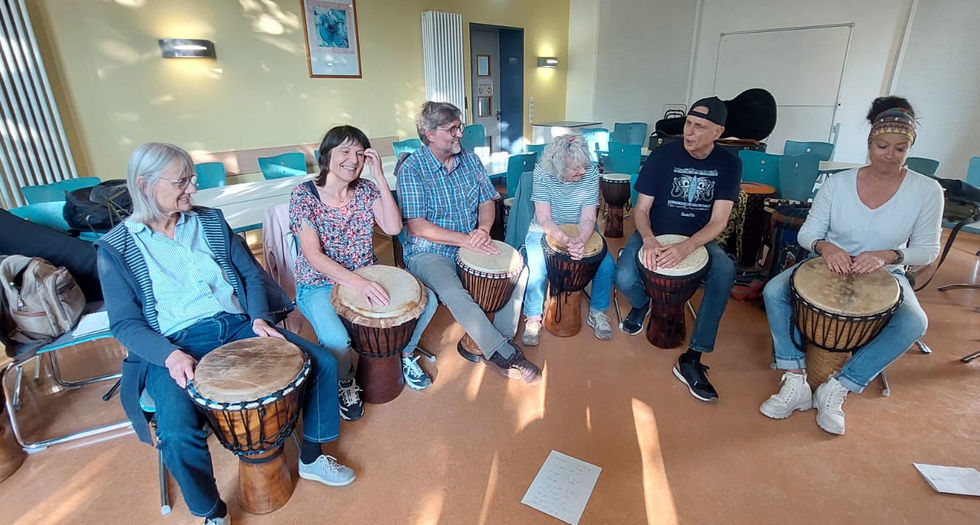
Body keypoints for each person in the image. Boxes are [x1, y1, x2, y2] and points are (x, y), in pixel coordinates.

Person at [96, 143, 354, 525]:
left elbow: (249, 273)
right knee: (176, 431)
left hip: (237, 325)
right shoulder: (116, 248)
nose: (193, 188)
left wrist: (259, 319)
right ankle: (211, 511)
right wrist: (169, 355)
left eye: (192, 179)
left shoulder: (210, 221)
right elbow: (124, 323)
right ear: (145, 185)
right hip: (175, 344)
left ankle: (313, 457)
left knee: (323, 363)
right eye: (182, 181)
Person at [760, 96, 943, 435]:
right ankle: (795, 378)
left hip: (886, 274)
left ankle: (839, 386)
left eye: (900, 148)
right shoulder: (838, 183)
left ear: (910, 149)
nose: (889, 155)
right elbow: (809, 234)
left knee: (914, 322)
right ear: (870, 143)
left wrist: (888, 256)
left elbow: (928, 250)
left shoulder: (927, 190)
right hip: (826, 264)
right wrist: (826, 247)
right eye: (882, 146)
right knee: (774, 291)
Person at [290, 125, 438, 422]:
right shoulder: (303, 195)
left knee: (428, 301)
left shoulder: (367, 189)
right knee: (337, 340)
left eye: (360, 153)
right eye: (345, 151)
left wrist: (380, 177)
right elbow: (313, 256)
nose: (353, 159)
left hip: (368, 273)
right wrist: (358, 282)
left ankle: (405, 353)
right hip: (318, 283)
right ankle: (346, 381)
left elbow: (393, 228)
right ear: (326, 155)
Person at [398, 101, 541, 384]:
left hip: (471, 242)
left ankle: (499, 338)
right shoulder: (412, 169)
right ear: (429, 134)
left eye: (459, 127)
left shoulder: (471, 160)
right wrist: (468, 239)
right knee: (453, 291)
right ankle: (501, 352)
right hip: (429, 252)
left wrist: (484, 230)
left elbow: (487, 201)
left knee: (518, 269)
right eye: (452, 129)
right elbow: (417, 226)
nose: (460, 134)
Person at [614, 96, 740, 402]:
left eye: (700, 126)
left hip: (696, 240)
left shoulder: (729, 164)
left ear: (718, 132)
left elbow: (719, 220)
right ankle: (642, 303)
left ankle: (693, 356)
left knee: (725, 270)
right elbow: (641, 210)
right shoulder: (663, 156)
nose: (689, 131)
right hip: (653, 234)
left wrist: (688, 246)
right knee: (625, 277)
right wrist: (648, 239)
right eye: (688, 123)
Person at [521, 134, 616, 345]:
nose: (582, 171)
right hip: (545, 229)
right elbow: (544, 219)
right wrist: (564, 239)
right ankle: (533, 317)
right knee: (537, 266)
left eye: (584, 165)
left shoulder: (591, 172)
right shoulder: (543, 172)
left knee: (606, 264)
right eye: (576, 168)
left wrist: (580, 239)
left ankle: (598, 312)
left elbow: (588, 217)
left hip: (581, 227)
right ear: (559, 167)